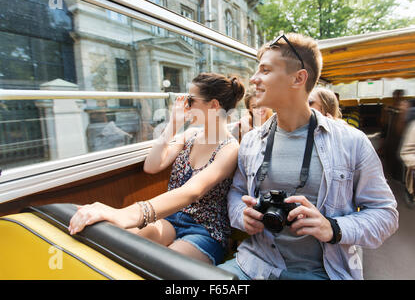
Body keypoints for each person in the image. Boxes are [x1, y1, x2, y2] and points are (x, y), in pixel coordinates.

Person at [218, 33, 399, 280]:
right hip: (254, 264)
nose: (253, 78)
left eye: (265, 70)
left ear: (298, 78)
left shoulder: (352, 142)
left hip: (323, 272)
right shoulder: (250, 141)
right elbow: (236, 193)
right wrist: (242, 214)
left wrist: (332, 228)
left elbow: (386, 214)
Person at [68, 72, 245, 265]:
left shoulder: (230, 149)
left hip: (205, 229)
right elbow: (152, 166)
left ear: (213, 105)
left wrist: (124, 214)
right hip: (171, 219)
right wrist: (173, 125)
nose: (186, 105)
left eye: (191, 100)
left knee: (161, 266)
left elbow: (192, 192)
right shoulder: (191, 135)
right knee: (125, 246)